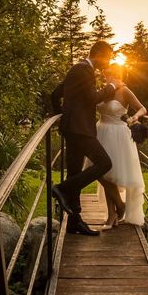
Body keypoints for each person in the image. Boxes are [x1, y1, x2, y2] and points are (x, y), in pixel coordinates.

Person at [50, 41, 124, 236]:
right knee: (104, 163)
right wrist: (112, 86)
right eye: (107, 57)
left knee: (74, 172)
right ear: (98, 54)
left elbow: (55, 95)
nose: (108, 61)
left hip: (73, 128)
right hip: (80, 130)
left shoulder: (78, 69)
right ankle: (61, 189)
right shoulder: (83, 70)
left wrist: (63, 118)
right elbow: (93, 98)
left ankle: (75, 222)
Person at [91, 64, 147, 229]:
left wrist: (135, 117)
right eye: (105, 74)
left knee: (108, 174)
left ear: (117, 74)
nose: (106, 77)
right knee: (101, 173)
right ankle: (118, 208)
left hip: (117, 134)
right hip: (100, 131)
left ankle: (113, 214)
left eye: (109, 74)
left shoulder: (124, 91)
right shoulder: (104, 89)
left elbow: (142, 108)